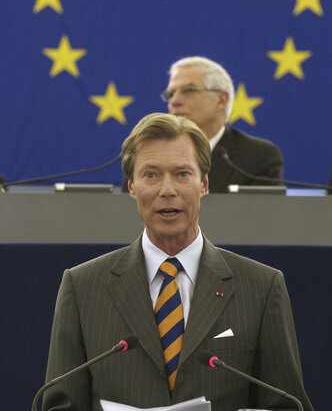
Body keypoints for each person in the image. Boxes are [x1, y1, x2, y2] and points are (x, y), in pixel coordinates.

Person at [43, 113, 313, 411]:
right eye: (151, 175)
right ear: (131, 187)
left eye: (182, 174)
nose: (167, 189)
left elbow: (287, 404)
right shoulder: (83, 287)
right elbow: (60, 404)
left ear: (204, 184)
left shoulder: (261, 287)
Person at [161, 55, 283, 193]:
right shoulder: (147, 154)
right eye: (170, 94)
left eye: (189, 90)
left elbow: (261, 213)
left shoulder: (257, 157)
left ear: (221, 100)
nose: (175, 101)